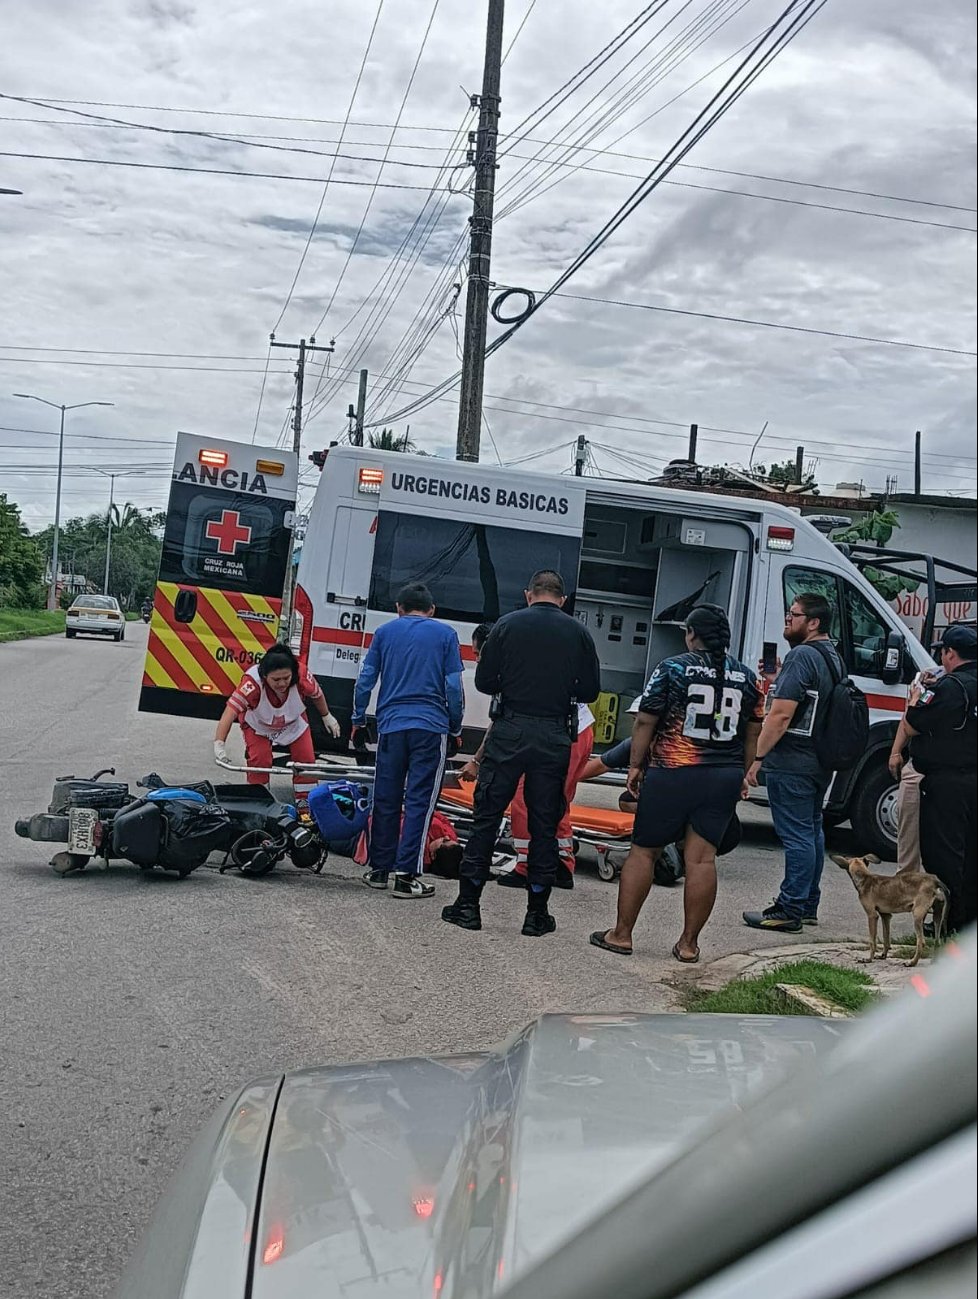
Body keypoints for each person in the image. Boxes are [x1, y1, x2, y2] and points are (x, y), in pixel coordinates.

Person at [590, 604, 762, 963]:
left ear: (691, 634)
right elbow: (752, 733)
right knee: (702, 860)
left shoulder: (672, 668)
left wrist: (636, 766)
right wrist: (743, 773)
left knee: (644, 851)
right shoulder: (747, 678)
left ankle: (621, 934)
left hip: (673, 770)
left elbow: (645, 721)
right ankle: (689, 944)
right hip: (723, 774)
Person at [441, 569, 601, 938]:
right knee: (544, 824)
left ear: (530, 595)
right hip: (553, 734)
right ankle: (536, 914)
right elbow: (590, 690)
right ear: (561, 599)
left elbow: (484, 681)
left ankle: (468, 906)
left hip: (509, 731)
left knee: (486, 818)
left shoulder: (507, 625)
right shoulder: (578, 633)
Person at [461, 622, 595, 890]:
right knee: (556, 800)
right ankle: (559, 864)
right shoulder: (524, 657)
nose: (477, 660)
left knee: (525, 800)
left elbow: (500, 723)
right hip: (577, 730)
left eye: (478, 654)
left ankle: (529, 866)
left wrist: (476, 761)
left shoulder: (508, 669)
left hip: (562, 734)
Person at [352, 581, 464, 899]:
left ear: (398, 609)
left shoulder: (385, 633)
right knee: (420, 802)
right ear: (432, 611)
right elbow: (454, 688)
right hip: (430, 729)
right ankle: (406, 876)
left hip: (390, 727)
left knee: (385, 798)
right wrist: (455, 728)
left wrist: (358, 719)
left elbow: (365, 680)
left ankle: (379, 869)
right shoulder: (445, 635)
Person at [742, 592, 843, 933]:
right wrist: (775, 681)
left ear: (813, 622)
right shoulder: (832, 655)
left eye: (794, 615)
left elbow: (782, 715)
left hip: (793, 761)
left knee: (797, 835)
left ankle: (789, 909)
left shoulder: (801, 656)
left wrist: (758, 757)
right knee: (812, 830)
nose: (788, 619)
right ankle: (807, 903)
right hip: (819, 760)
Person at [904, 624, 977, 933]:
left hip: (948, 783)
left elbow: (915, 719)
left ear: (950, 653)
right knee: (972, 854)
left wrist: (918, 693)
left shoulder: (950, 686)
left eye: (943, 652)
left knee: (943, 855)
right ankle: (967, 923)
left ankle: (947, 923)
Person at [213, 643, 341, 806]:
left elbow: (317, 695)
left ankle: (305, 802)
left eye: (286, 678)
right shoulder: (252, 683)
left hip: (293, 723)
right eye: (276, 680)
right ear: (265, 676)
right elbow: (230, 711)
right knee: (260, 761)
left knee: (306, 761)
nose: (282, 684)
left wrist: (326, 716)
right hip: (258, 725)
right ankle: (259, 802)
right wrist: (219, 742)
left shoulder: (301, 676)